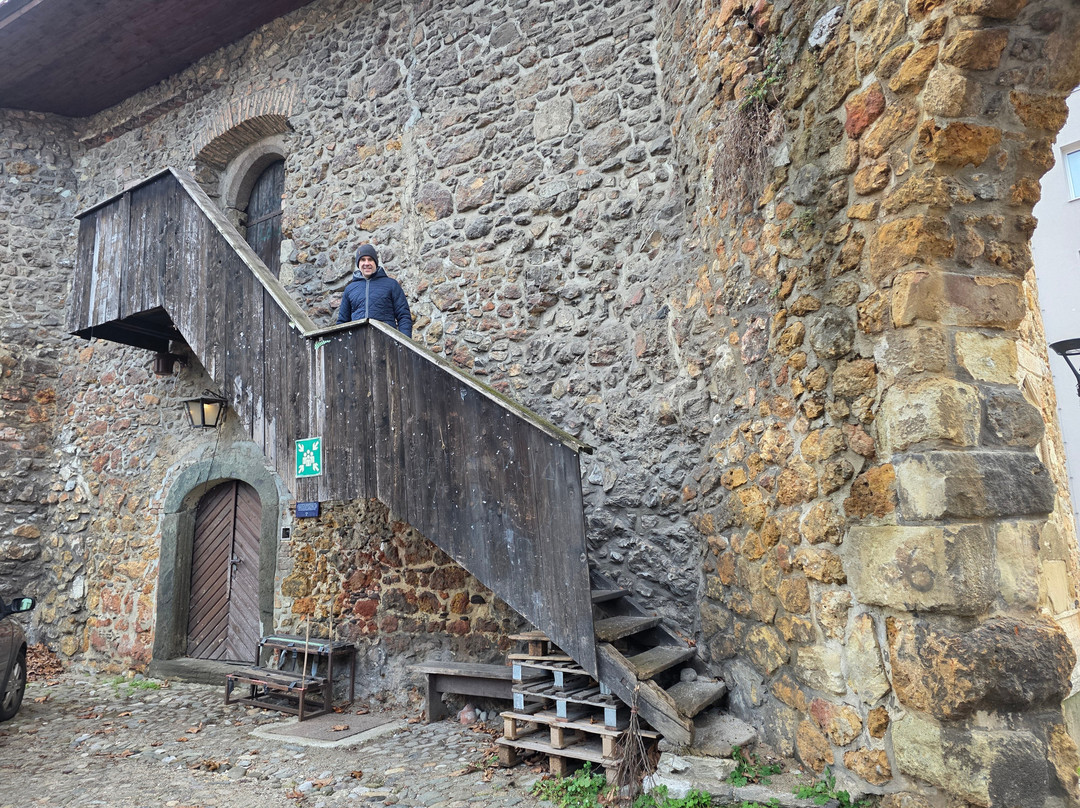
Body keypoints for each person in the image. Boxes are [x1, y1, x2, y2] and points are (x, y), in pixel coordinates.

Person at [336, 244, 413, 337]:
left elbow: (404, 316)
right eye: (363, 260)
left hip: (386, 341)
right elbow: (342, 322)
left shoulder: (391, 285)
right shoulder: (350, 289)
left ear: (375, 262)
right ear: (358, 263)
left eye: (370, 259)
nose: (366, 263)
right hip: (357, 342)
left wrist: (404, 342)